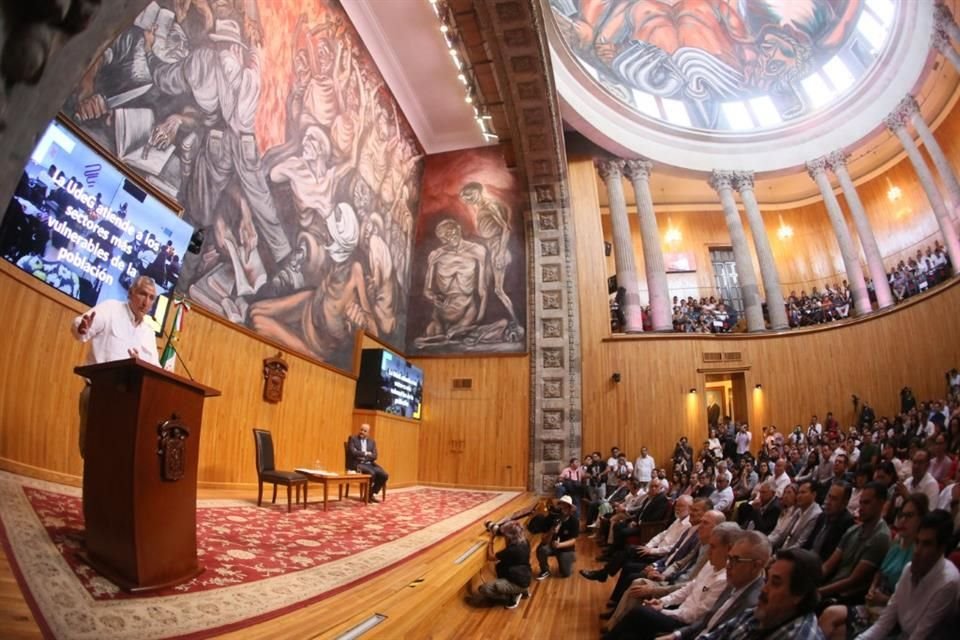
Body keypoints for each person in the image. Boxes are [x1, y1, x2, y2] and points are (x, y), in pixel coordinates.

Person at [71, 275, 160, 457]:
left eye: (151, 298)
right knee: (92, 451)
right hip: (99, 393)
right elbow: (80, 325)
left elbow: (155, 370)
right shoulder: (111, 309)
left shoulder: (149, 332)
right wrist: (82, 327)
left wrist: (141, 364)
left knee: (117, 456)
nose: (146, 302)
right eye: (143, 294)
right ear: (130, 293)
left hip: (129, 402)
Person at [855, 510, 960, 639]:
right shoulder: (909, 569)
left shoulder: (948, 583)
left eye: (926, 544)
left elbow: (919, 636)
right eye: (917, 542)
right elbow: (884, 624)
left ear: (942, 548)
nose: (917, 551)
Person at [700, 548, 825, 640]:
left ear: (799, 594)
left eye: (775, 583)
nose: (764, 589)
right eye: (767, 580)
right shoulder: (754, 615)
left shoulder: (802, 635)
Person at [467, 520, 532, 609]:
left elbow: (491, 557)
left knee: (484, 589)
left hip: (517, 582)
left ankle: (512, 596)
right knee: (499, 565)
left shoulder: (512, 550)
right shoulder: (525, 542)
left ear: (509, 537)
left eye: (505, 535)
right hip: (524, 577)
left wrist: (491, 540)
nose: (503, 536)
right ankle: (519, 590)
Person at [536, 495, 578, 579]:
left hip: (566, 548)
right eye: (561, 506)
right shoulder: (551, 519)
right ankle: (545, 570)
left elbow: (573, 540)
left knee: (565, 573)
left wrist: (560, 545)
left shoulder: (574, 521)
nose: (563, 510)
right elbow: (544, 541)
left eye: (566, 507)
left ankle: (570, 558)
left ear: (570, 509)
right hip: (552, 546)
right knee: (541, 549)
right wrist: (551, 532)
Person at [347, 423, 388, 501]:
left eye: (364, 431)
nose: (362, 432)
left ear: (368, 433)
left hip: (370, 463)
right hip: (358, 464)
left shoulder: (372, 441)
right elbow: (352, 452)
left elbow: (375, 456)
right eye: (361, 430)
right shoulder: (353, 438)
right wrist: (366, 453)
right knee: (372, 473)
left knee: (384, 475)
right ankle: (367, 496)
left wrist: (362, 455)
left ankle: (370, 494)